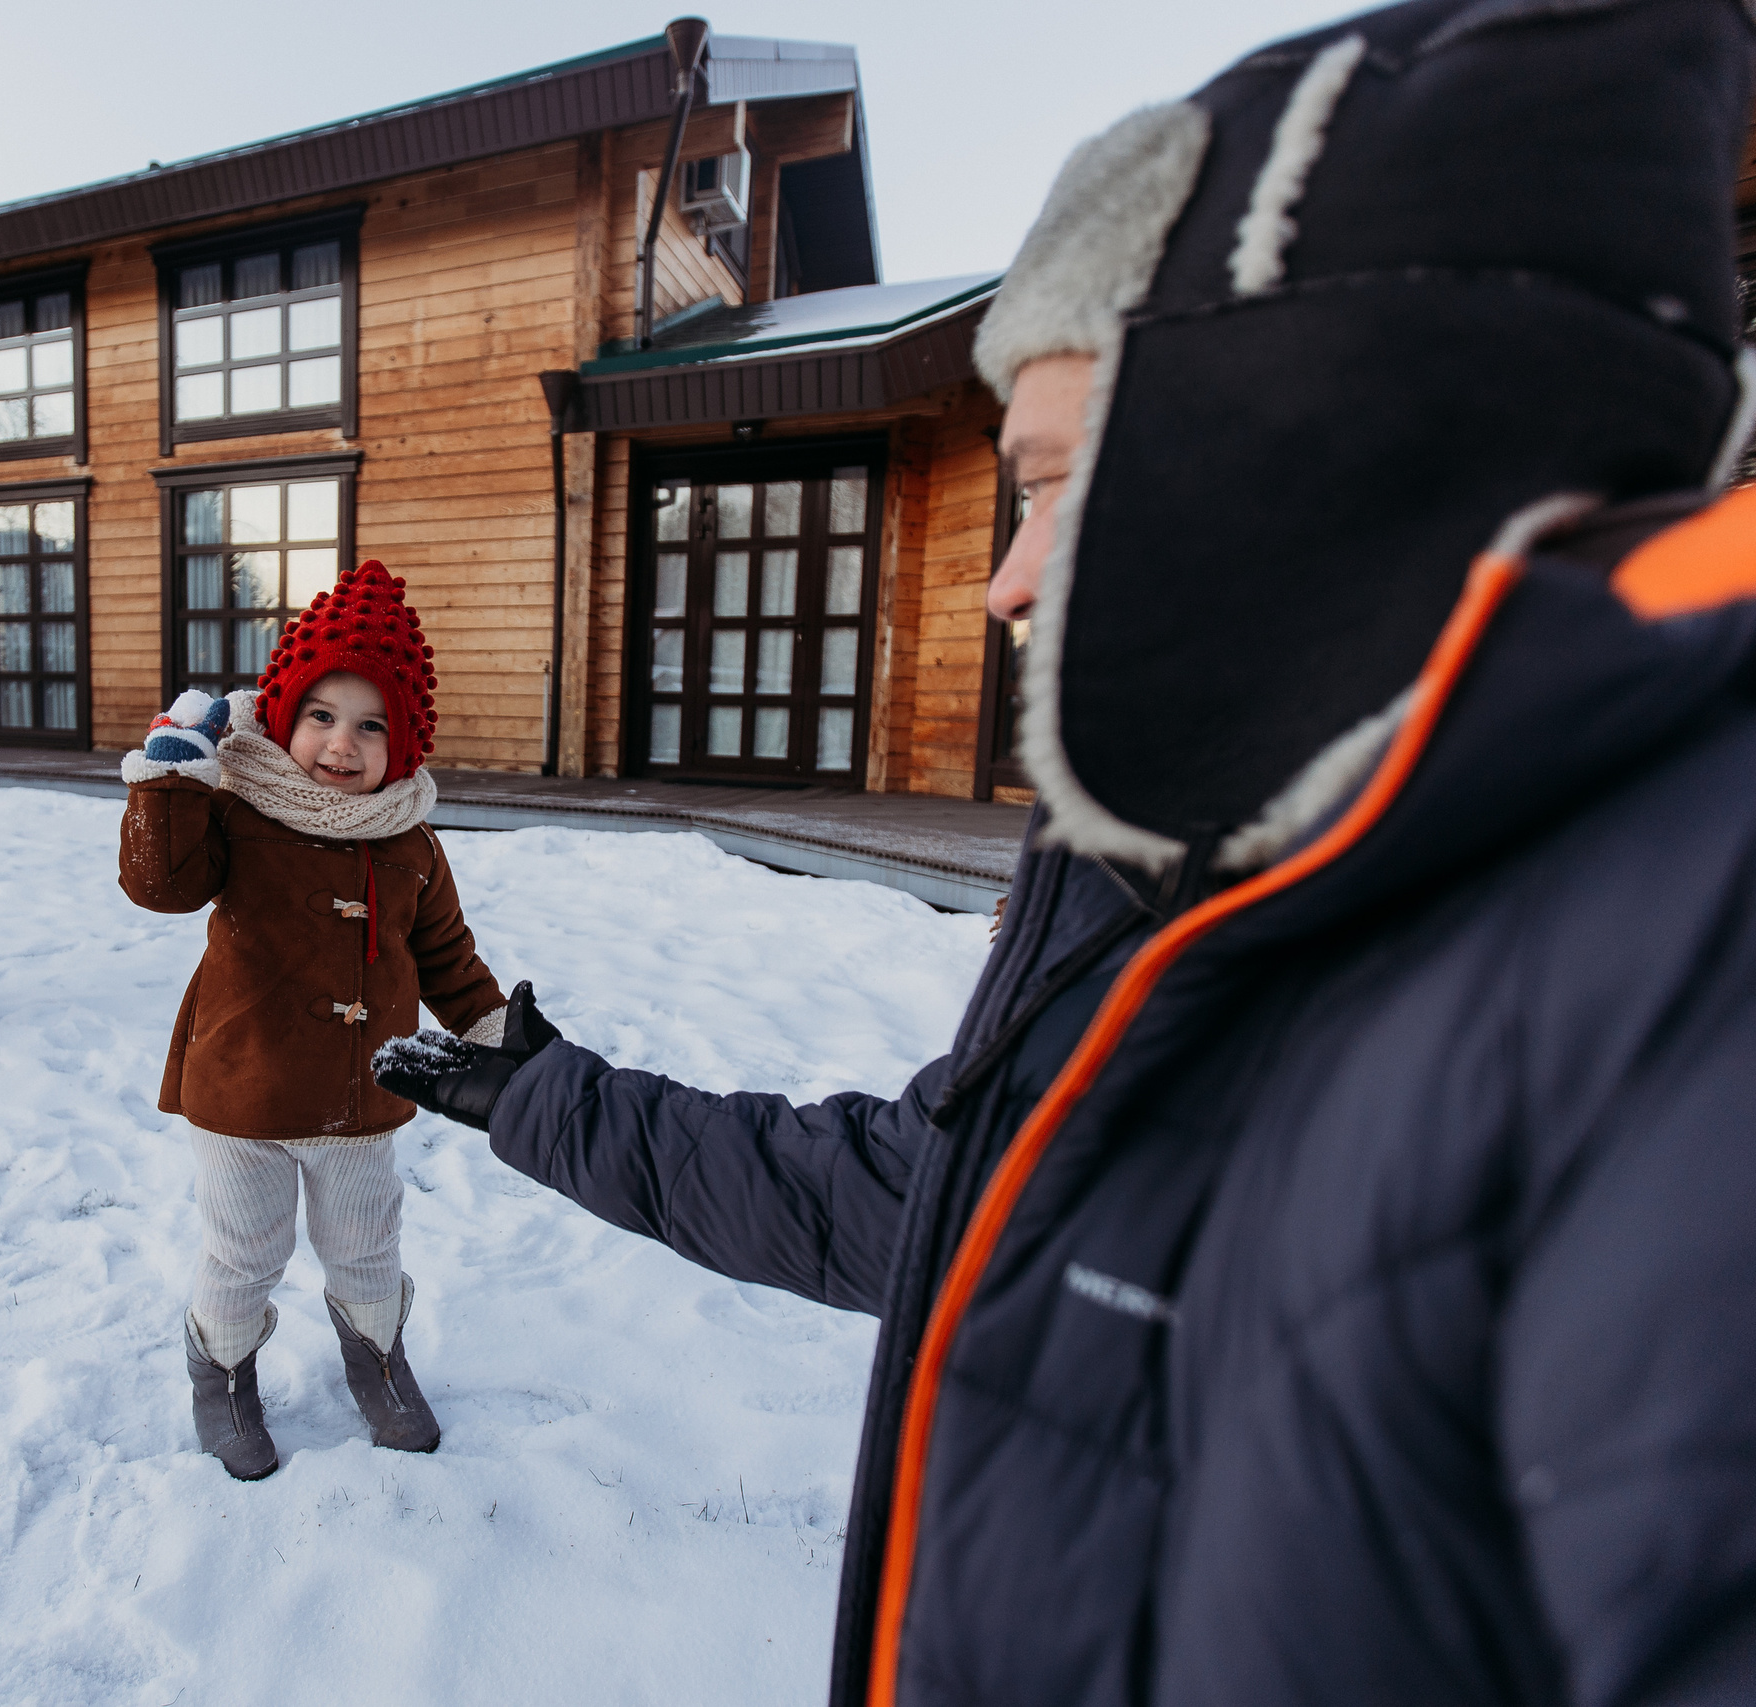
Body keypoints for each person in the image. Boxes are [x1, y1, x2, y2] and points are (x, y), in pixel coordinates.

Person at [377, 2, 1756, 1702]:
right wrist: (545, 1095)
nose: (1001, 583)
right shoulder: (1159, 887)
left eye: (1048, 484)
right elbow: (948, 1204)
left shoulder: (1680, 1021)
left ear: (1297, 448)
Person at [119, 560, 505, 1481]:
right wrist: (174, 780)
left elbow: (446, 952)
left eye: (372, 724)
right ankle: (222, 1371)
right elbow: (159, 886)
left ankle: (377, 1361)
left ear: (402, 743)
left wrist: (496, 1028)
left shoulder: (410, 840)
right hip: (243, 1094)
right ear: (284, 716)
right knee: (245, 1249)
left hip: (364, 1096)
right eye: (323, 715)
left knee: (368, 1247)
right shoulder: (237, 806)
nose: (343, 742)